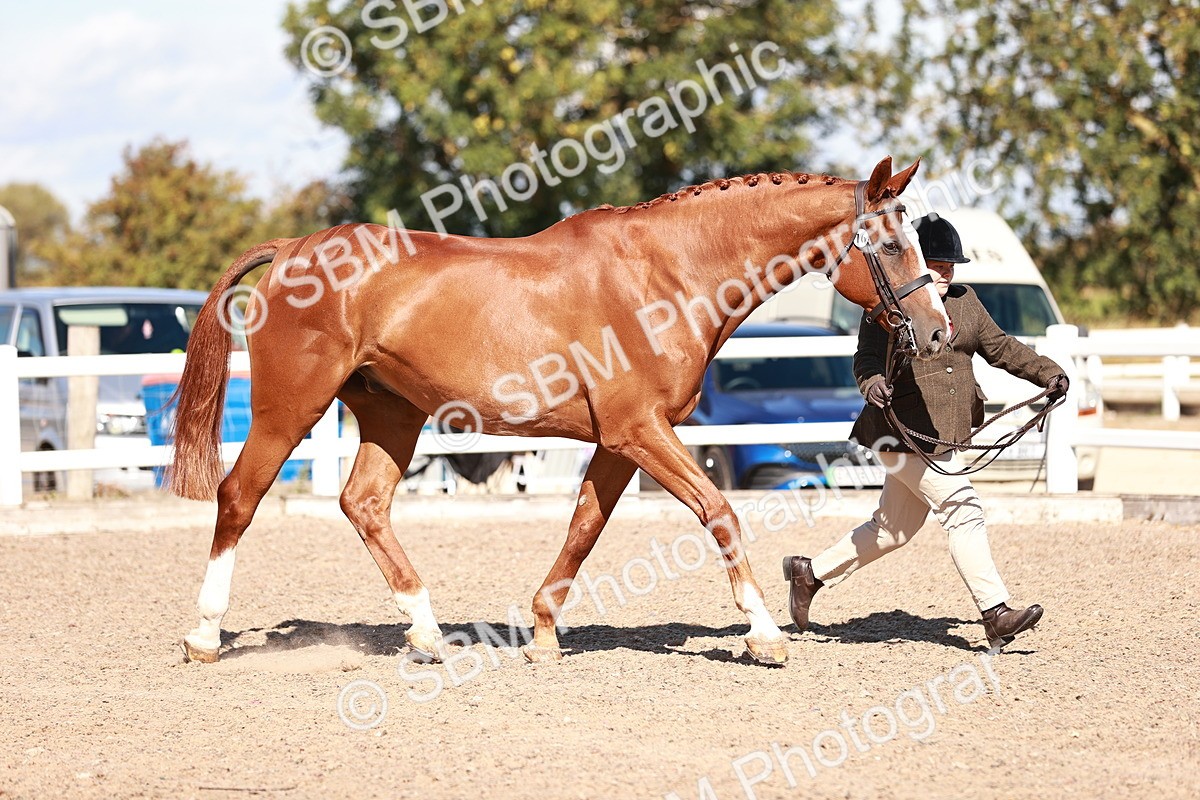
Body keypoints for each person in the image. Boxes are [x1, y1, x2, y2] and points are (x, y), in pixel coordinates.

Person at [782, 212, 1069, 649]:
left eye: (950, 267)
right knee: (962, 508)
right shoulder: (892, 303)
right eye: (937, 266)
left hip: (944, 433)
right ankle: (995, 612)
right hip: (899, 432)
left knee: (892, 530)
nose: (945, 275)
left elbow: (1001, 347)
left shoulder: (966, 302)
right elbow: (866, 358)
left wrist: (1048, 373)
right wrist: (872, 382)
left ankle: (809, 573)